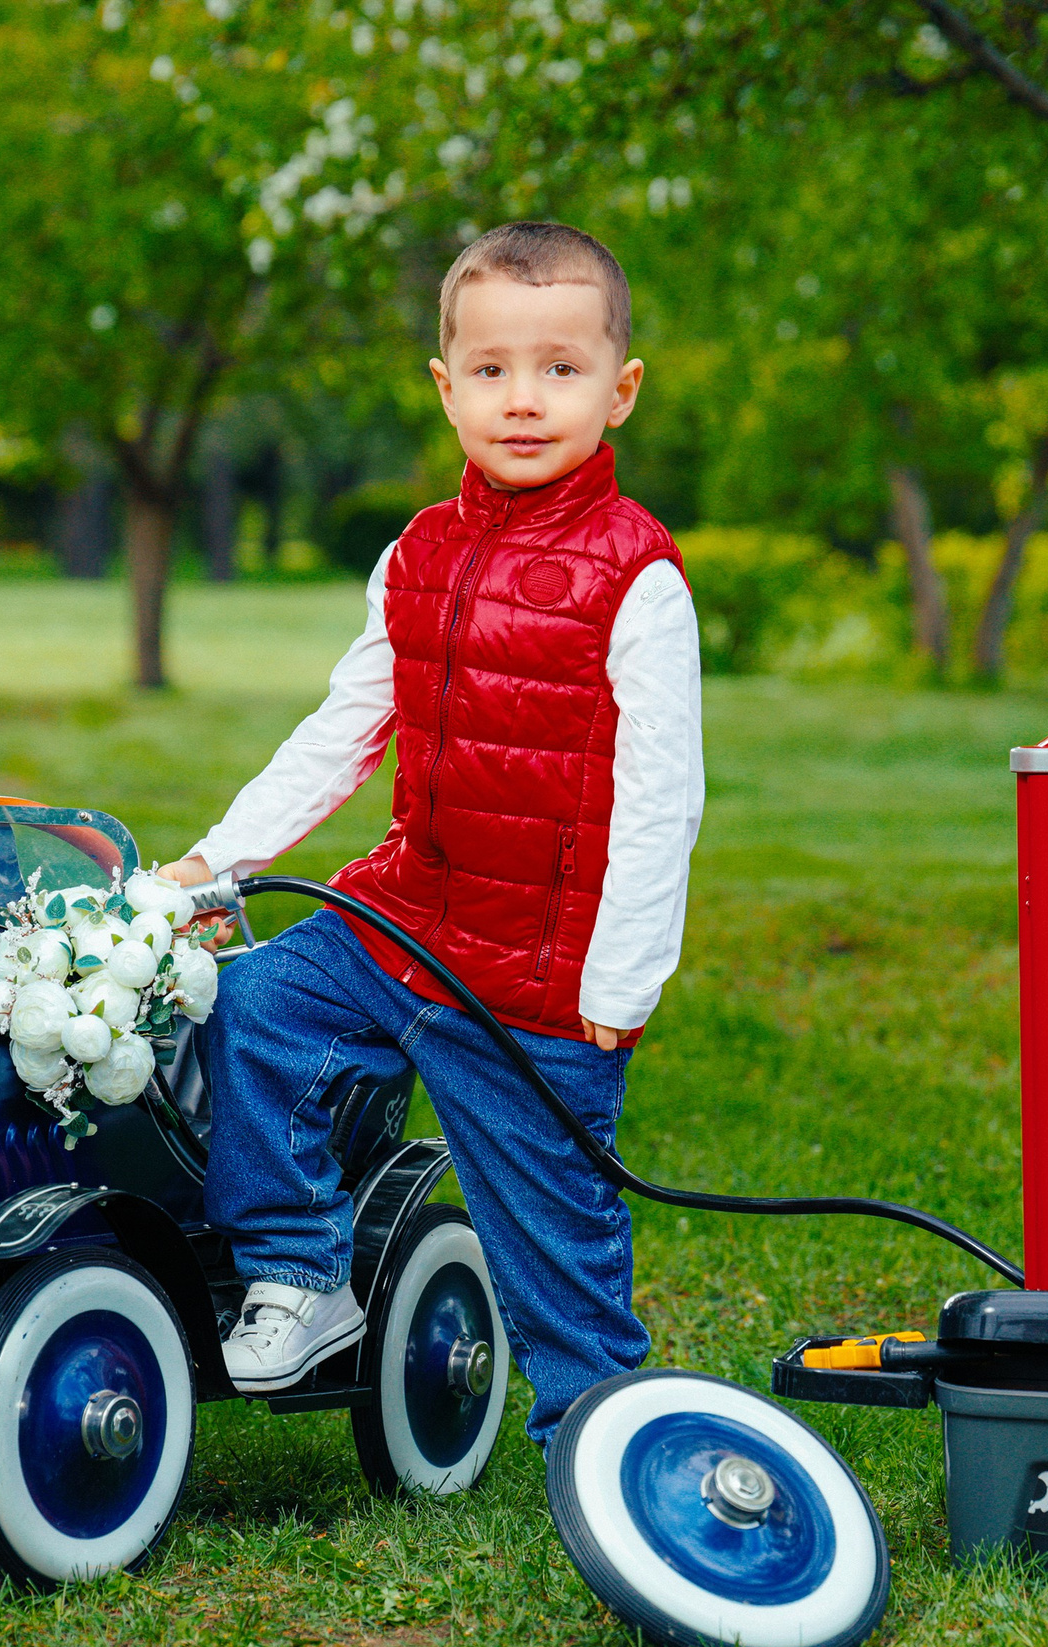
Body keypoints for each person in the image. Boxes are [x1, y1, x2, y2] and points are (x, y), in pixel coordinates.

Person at [158, 221, 703, 1450]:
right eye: (494, 369)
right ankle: (300, 1276)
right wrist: (217, 860)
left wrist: (618, 985)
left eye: (560, 370)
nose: (524, 400)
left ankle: (607, 1441)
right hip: (405, 915)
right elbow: (345, 731)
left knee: (552, 1236)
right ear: (446, 386)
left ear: (618, 393)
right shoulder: (418, 552)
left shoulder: (637, 578)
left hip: (537, 975)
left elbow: (662, 804)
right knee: (261, 1009)